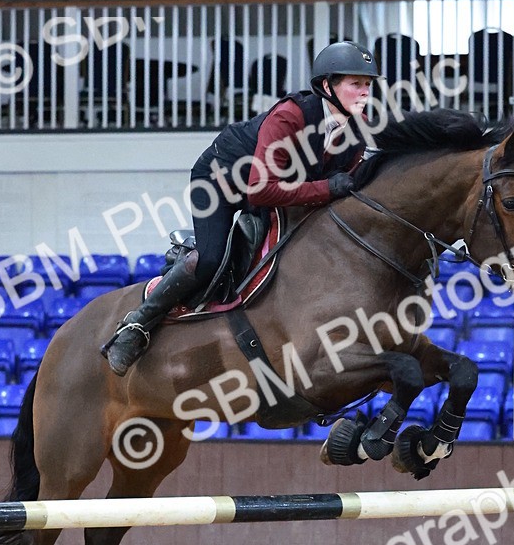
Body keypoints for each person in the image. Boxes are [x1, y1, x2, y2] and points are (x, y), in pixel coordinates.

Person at [103, 40, 380, 375]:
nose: (364, 93)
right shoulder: (290, 116)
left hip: (275, 192)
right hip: (221, 180)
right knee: (210, 260)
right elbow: (263, 190)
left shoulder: (358, 128)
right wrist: (327, 187)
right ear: (326, 86)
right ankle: (137, 324)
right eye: (356, 84)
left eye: (367, 85)